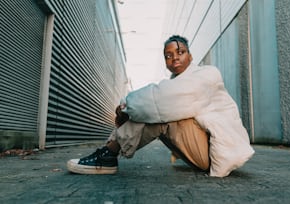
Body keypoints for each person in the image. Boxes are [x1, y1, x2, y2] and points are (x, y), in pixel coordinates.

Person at [67, 35, 254, 177]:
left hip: (217, 154)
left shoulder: (208, 74)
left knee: (160, 112)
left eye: (180, 52)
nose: (174, 58)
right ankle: (108, 151)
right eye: (168, 55)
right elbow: (158, 98)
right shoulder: (175, 82)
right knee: (153, 108)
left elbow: (165, 100)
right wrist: (131, 108)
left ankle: (108, 155)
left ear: (190, 56)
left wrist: (126, 106)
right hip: (202, 150)